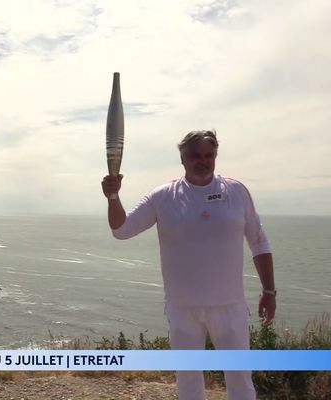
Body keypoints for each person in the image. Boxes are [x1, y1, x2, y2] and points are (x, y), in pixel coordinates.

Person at [101, 130, 276, 400]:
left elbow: (259, 242)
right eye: (195, 155)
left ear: (215, 156)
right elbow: (121, 229)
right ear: (182, 158)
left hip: (229, 307)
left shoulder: (236, 191)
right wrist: (113, 197)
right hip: (182, 309)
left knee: (240, 381)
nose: (202, 161)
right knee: (189, 383)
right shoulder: (163, 196)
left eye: (209, 155)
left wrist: (269, 291)